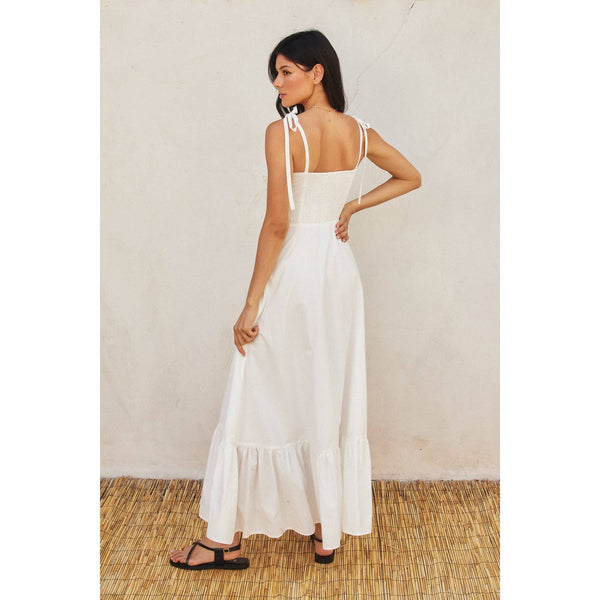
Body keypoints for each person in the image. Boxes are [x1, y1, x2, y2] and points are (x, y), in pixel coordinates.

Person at [169, 29, 421, 571]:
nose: (278, 83)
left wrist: (250, 303)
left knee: (256, 389)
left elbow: (278, 223)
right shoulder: (358, 132)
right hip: (339, 272)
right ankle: (325, 530)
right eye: (276, 74)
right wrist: (350, 207)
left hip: (297, 272)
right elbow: (410, 176)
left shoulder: (283, 133)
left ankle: (223, 541)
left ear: (316, 72)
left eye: (286, 71)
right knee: (324, 386)